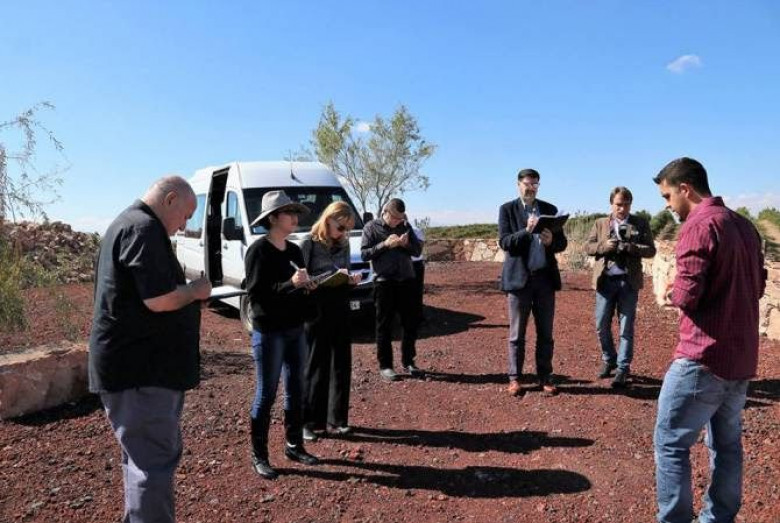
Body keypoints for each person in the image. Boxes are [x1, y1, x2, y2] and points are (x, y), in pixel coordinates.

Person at [88, 176, 212, 523]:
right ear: (170, 199)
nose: (184, 225)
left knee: (141, 461)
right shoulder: (143, 229)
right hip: (141, 373)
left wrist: (185, 299)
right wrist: (196, 291)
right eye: (186, 215)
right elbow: (158, 299)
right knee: (152, 465)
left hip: (134, 370)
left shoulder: (127, 224)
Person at [652, 157, 767, 523]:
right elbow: (758, 286)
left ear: (685, 189)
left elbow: (688, 295)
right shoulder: (744, 226)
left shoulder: (698, 225)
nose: (668, 206)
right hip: (740, 358)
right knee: (727, 445)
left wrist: (671, 291)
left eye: (668, 196)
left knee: (670, 443)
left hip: (702, 356)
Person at [244, 190, 320, 480]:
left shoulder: (294, 251)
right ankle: (259, 456)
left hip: (294, 329)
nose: (295, 217)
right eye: (289, 212)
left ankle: (294, 446)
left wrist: (308, 288)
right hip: (270, 333)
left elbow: (295, 291)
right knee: (266, 394)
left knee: (296, 389)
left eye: (295, 212)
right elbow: (257, 297)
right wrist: (291, 284)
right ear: (273, 218)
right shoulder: (258, 251)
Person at [498, 168, 567, 397]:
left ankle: (544, 376)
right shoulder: (507, 209)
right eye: (527, 184)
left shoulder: (549, 210)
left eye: (535, 184)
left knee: (545, 334)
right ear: (518, 184)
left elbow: (562, 244)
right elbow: (505, 242)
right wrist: (526, 231)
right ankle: (515, 378)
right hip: (519, 282)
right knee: (517, 335)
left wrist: (551, 241)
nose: (531, 188)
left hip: (545, 280)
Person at [301, 201, 362, 441]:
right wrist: (310, 283)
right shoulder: (308, 243)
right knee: (316, 363)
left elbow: (345, 271)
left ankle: (338, 419)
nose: (343, 233)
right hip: (316, 308)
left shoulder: (344, 244)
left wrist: (351, 280)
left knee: (341, 363)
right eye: (341, 227)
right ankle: (309, 422)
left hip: (339, 305)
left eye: (347, 229)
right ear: (328, 220)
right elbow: (299, 278)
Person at [585, 186, 656, 388]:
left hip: (628, 282)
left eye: (626, 204)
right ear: (611, 204)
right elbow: (588, 246)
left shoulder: (640, 223)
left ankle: (623, 368)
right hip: (605, 281)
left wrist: (632, 248)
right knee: (601, 325)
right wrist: (604, 247)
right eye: (618, 204)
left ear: (630, 205)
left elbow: (651, 250)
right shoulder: (600, 223)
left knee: (626, 328)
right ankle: (609, 359)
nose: (622, 208)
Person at [361, 197, 424, 382]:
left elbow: (417, 251)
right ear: (385, 212)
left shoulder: (405, 226)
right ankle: (386, 365)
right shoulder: (371, 228)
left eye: (400, 218)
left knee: (410, 323)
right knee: (384, 325)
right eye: (395, 218)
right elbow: (364, 254)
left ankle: (409, 361)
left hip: (407, 280)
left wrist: (405, 244)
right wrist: (385, 244)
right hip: (384, 282)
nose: (398, 221)